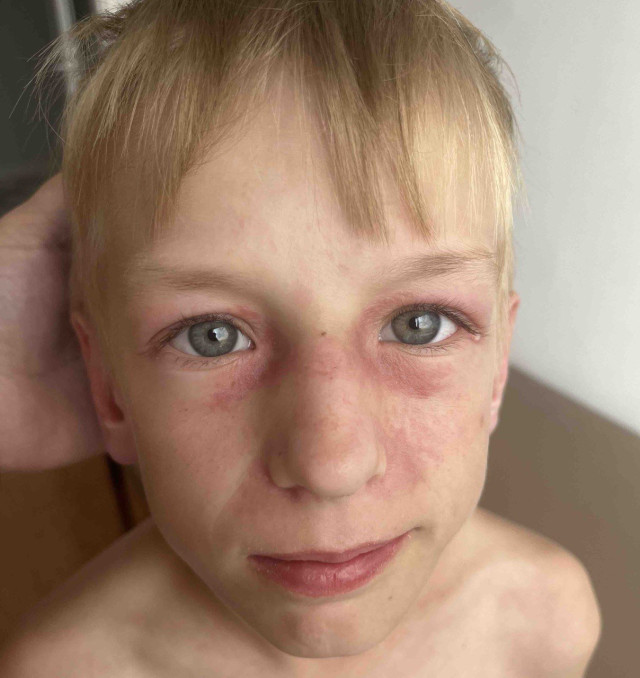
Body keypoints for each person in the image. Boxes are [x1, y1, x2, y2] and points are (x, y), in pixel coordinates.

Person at [0, 0, 602, 675]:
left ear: (497, 367)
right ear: (108, 388)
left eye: (418, 324)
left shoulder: (544, 619)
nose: (329, 466)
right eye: (211, 336)